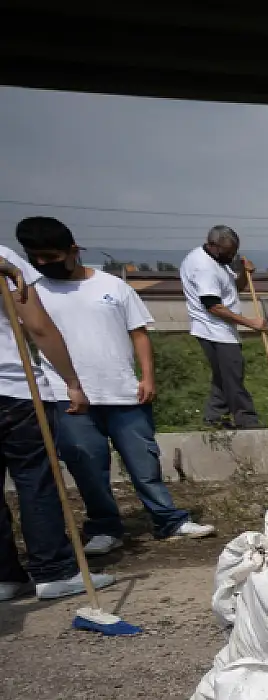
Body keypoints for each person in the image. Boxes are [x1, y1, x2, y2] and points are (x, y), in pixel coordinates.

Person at [15, 217, 215, 546]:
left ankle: (168, 520)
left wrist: (147, 376)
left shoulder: (112, 286)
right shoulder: (32, 294)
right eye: (35, 257)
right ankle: (105, 528)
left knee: (144, 461)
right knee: (86, 463)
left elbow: (138, 334)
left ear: (72, 251)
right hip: (66, 396)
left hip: (123, 392)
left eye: (50, 258)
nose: (42, 264)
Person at [0, 251, 117, 601]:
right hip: (12, 390)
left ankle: (4, 578)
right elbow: (37, 326)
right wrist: (72, 381)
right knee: (36, 479)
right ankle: (54, 572)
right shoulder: (3, 260)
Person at [180, 225, 266, 429]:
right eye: (229, 253)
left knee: (223, 378)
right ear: (213, 246)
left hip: (222, 330)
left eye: (234, 252)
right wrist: (251, 323)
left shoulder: (217, 261)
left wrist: (246, 274)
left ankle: (214, 420)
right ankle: (248, 423)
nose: (232, 256)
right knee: (233, 378)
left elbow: (233, 290)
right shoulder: (204, 267)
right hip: (214, 331)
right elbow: (214, 307)